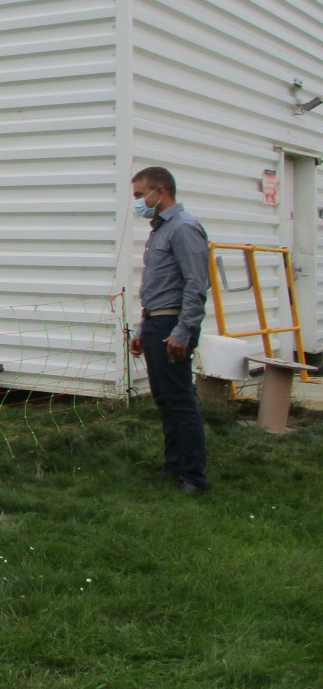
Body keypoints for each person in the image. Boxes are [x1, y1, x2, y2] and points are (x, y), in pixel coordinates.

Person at [128, 166, 209, 493]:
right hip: (156, 321)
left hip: (173, 324)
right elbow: (158, 285)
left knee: (180, 400)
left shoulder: (184, 228)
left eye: (139, 195)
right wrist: (142, 328)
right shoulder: (159, 230)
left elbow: (195, 284)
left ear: (159, 191)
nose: (137, 202)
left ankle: (192, 476)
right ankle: (173, 465)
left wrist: (182, 332)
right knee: (164, 398)